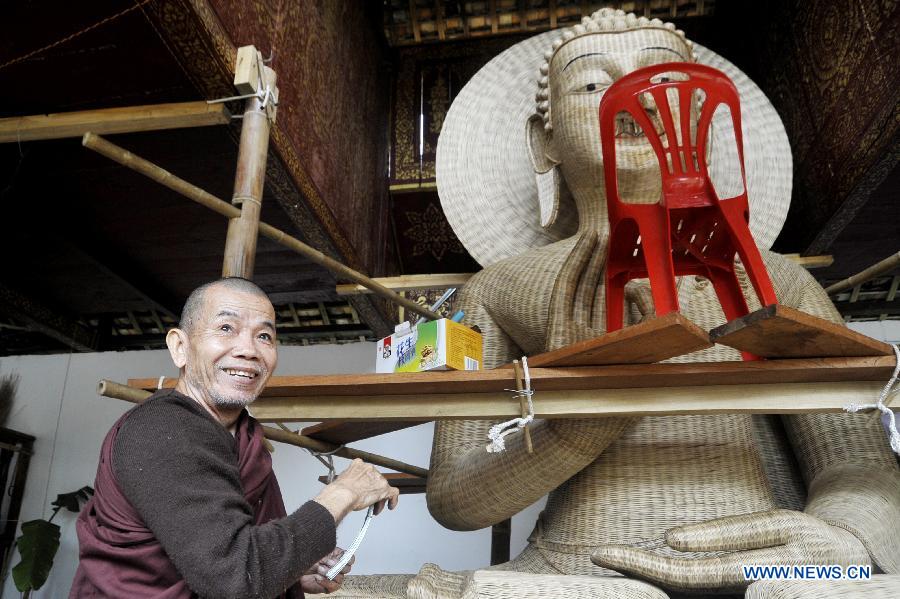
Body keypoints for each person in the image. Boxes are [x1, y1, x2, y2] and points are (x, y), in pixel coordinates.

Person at [334, 8, 899, 599]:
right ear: (544, 141)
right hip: (575, 574)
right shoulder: (499, 290)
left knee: (837, 587)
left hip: (766, 563)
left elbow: (857, 459)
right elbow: (457, 498)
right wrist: (583, 424)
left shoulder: (776, 281)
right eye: (593, 84)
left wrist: (844, 540)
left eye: (666, 82)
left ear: (706, 116)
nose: (643, 100)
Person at [71, 277, 399, 598]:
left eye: (265, 336)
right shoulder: (162, 429)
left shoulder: (240, 433)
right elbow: (234, 578)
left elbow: (227, 550)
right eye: (226, 328)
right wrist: (342, 493)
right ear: (180, 347)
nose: (249, 350)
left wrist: (290, 571)